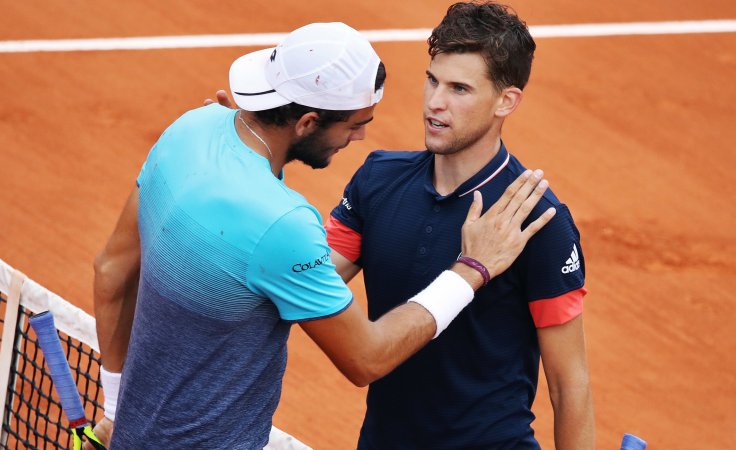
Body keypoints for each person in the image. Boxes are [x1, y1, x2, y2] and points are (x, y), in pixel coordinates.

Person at [88, 21, 555, 449]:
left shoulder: (190, 128)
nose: (358, 140)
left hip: (132, 432)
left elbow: (111, 271)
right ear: (308, 122)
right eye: (353, 126)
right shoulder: (282, 224)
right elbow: (366, 358)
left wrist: (114, 408)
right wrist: (470, 270)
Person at [324, 2, 595, 449]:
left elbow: (571, 385)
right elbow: (308, 279)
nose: (435, 102)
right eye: (432, 80)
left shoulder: (535, 219)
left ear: (505, 101)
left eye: (460, 89)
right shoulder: (377, 180)